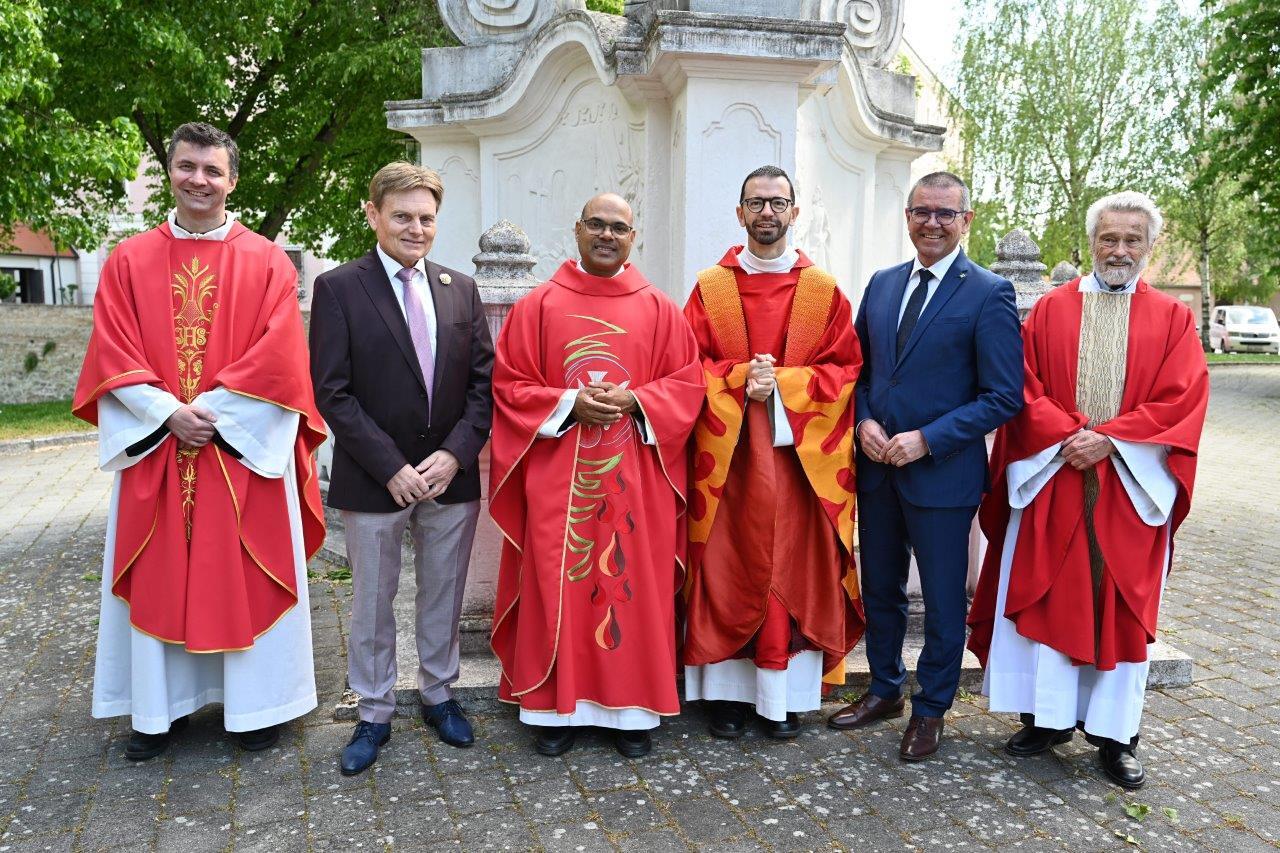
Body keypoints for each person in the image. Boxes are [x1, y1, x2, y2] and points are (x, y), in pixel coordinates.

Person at [73, 122, 326, 760]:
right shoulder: (128, 259)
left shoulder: (267, 260)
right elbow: (112, 350)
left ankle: (256, 707)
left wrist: (207, 414)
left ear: (232, 181)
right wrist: (167, 414)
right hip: (159, 445)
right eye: (187, 167)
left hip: (239, 448)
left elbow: (280, 356)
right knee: (157, 572)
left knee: (243, 566)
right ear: (171, 173)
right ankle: (158, 711)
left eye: (213, 170)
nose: (199, 180)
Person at [967, 192, 1208, 789]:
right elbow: (1022, 386)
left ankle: (1116, 736)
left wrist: (1111, 441)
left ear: (1149, 246)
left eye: (1132, 240)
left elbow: (1182, 398)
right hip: (1055, 474)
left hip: (1129, 485)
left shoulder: (1173, 318)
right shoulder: (1051, 309)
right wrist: (1068, 438)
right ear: (1091, 243)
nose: (1119, 250)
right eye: (1109, 238)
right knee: (1051, 594)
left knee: (1118, 605)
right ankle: (1045, 720)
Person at [489, 193, 704, 758]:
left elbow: (688, 386)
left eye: (619, 228)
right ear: (578, 229)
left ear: (633, 237)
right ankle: (553, 709)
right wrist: (568, 404)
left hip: (637, 478)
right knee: (554, 582)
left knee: (631, 589)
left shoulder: (659, 309)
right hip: (558, 476)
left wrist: (637, 400)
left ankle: (632, 713)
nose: (607, 235)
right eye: (597, 225)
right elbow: (509, 386)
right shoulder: (538, 306)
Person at [827, 171, 1023, 761]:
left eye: (944, 213)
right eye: (921, 212)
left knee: (940, 601)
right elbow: (860, 371)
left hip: (942, 474)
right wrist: (862, 420)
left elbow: (1003, 396)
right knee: (881, 589)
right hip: (878, 470)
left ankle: (931, 707)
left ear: (966, 221)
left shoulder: (989, 292)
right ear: (907, 217)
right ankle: (885, 688)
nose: (931, 223)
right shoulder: (882, 284)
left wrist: (928, 440)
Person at [309, 162, 494, 775]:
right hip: (374, 477)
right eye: (402, 216)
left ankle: (439, 693)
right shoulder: (339, 288)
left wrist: (456, 453)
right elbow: (332, 392)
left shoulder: (460, 289)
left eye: (426, 218)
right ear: (373, 214)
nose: (416, 228)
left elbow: (483, 385)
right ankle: (374, 709)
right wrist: (390, 466)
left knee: (443, 592)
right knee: (372, 600)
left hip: (449, 476)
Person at [682, 165, 863, 739]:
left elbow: (846, 369)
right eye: (756, 202)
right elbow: (685, 366)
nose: (767, 212)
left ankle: (780, 698)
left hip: (799, 464)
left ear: (794, 212)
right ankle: (726, 696)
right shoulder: (710, 287)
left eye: (778, 203)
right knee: (728, 564)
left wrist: (781, 385)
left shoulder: (823, 291)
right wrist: (739, 381)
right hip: (729, 464)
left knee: (790, 564)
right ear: (740, 213)